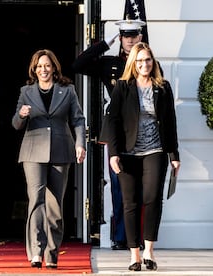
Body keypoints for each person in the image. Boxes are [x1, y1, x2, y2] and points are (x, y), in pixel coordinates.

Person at [105, 42, 180, 271]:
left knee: (152, 197)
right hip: (127, 152)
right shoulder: (122, 86)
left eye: (147, 60)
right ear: (133, 64)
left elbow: (170, 122)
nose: (144, 64)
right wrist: (113, 153)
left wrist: (174, 154)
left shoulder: (163, 87)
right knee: (130, 203)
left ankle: (149, 250)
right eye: (139, 61)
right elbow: (113, 121)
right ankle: (134, 254)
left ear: (153, 61)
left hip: (155, 150)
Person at [72, 19, 146, 250]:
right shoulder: (109, 63)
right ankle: (121, 237)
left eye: (134, 36)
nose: (130, 40)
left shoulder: (146, 63)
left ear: (140, 38)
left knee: (141, 186)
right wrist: (104, 43)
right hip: (117, 132)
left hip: (143, 131)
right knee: (118, 185)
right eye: (125, 36)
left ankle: (136, 235)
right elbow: (78, 65)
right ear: (121, 38)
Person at [12, 49, 86, 269]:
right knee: (36, 200)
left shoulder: (68, 90)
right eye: (39, 66)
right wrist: (22, 115)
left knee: (55, 205)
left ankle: (52, 253)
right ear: (34, 70)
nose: (43, 70)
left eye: (47, 65)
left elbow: (78, 119)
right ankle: (36, 252)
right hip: (33, 151)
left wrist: (80, 143)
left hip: (61, 150)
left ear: (54, 67)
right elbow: (15, 124)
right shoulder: (26, 91)